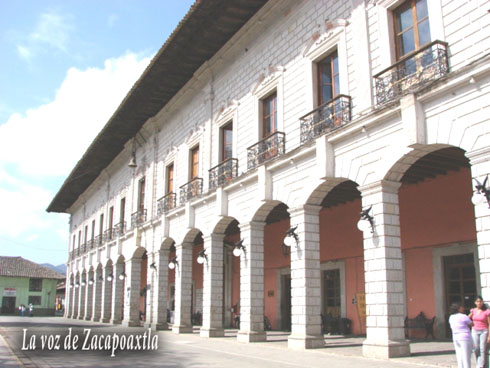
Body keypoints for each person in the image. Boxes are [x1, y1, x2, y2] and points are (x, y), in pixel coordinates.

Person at [449, 302, 473, 368]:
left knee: (459, 356)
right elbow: (471, 324)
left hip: (456, 337)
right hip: (465, 337)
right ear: (458, 308)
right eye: (461, 307)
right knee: (466, 357)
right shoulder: (463, 316)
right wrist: (471, 314)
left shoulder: (451, 317)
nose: (463, 308)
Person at [469, 296, 490, 368]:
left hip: (484, 331)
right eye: (477, 301)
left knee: (482, 348)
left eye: (480, 301)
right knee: (475, 347)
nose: (479, 303)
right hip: (475, 330)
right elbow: (467, 319)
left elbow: (489, 323)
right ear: (475, 302)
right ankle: (477, 362)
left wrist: (489, 336)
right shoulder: (473, 311)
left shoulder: (486, 311)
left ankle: (481, 365)